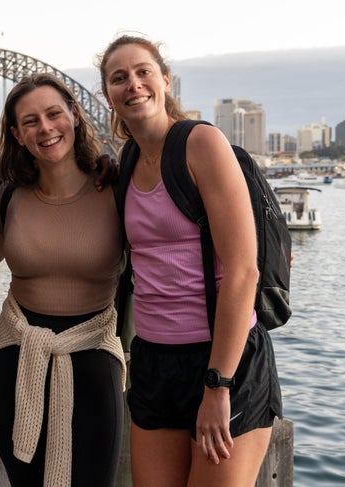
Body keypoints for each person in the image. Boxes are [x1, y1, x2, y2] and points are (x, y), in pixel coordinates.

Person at [98, 35, 283, 487]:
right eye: (118, 78)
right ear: (108, 95)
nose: (133, 84)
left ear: (164, 80)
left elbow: (244, 271)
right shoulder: (126, 161)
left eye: (143, 72)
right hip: (154, 361)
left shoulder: (201, 143)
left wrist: (218, 385)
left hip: (222, 361)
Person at [0, 73, 126, 487]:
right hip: (13, 361)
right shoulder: (8, 196)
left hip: (93, 359)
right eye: (30, 121)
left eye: (54, 113)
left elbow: (170, 245)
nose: (45, 127)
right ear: (16, 134)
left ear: (75, 116)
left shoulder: (115, 188)